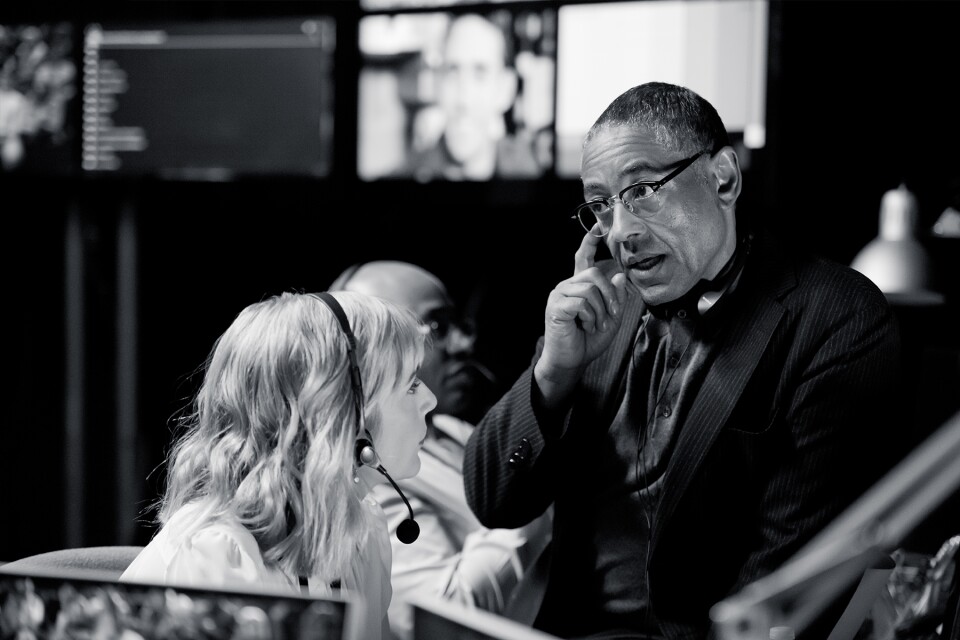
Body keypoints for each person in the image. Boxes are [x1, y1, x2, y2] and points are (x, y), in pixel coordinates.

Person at [462, 81, 903, 640]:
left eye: (643, 189)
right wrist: (554, 371)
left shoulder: (834, 316)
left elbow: (784, 577)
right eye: (600, 205)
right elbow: (492, 500)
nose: (620, 232)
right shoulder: (599, 304)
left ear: (723, 177)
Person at [121, 291, 437, 640]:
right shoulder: (217, 554)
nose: (430, 400)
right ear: (341, 414)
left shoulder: (363, 531)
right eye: (410, 385)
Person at [330, 261, 552, 640]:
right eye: (436, 326)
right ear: (368, 350)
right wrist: (534, 491)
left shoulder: (456, 429)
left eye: (459, 324)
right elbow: (433, 622)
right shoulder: (360, 476)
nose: (464, 344)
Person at [405, 13, 542, 182]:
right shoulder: (407, 175)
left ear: (505, 90)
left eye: (480, 74)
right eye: (452, 72)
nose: (464, 100)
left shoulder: (526, 173)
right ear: (437, 84)